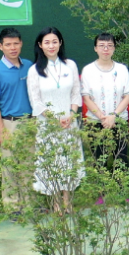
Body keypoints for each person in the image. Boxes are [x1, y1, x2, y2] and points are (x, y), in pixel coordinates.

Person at [27, 27, 83, 197]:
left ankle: (67, 200)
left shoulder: (70, 65)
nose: (51, 46)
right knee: (52, 161)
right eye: (47, 42)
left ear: (60, 43)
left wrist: (70, 116)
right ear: (40, 45)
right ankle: (56, 202)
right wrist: (55, 119)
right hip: (48, 124)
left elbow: (75, 94)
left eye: (54, 41)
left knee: (68, 161)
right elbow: (35, 101)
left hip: (69, 122)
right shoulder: (34, 70)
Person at [0, 28, 34, 210]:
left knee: (29, 165)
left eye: (16, 43)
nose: (12, 48)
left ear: (21, 44)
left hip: (30, 122)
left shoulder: (29, 66)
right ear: (1, 46)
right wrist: (1, 129)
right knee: (10, 167)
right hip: (9, 123)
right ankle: (13, 207)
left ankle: (29, 205)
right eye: (8, 44)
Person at [80, 33, 129, 167]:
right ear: (95, 48)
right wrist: (103, 117)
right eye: (101, 46)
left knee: (120, 160)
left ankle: (121, 187)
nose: (106, 49)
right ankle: (101, 188)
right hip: (96, 121)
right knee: (99, 160)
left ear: (114, 48)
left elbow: (127, 96)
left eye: (109, 46)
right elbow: (86, 97)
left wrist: (113, 116)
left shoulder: (122, 69)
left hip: (119, 120)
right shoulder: (88, 70)